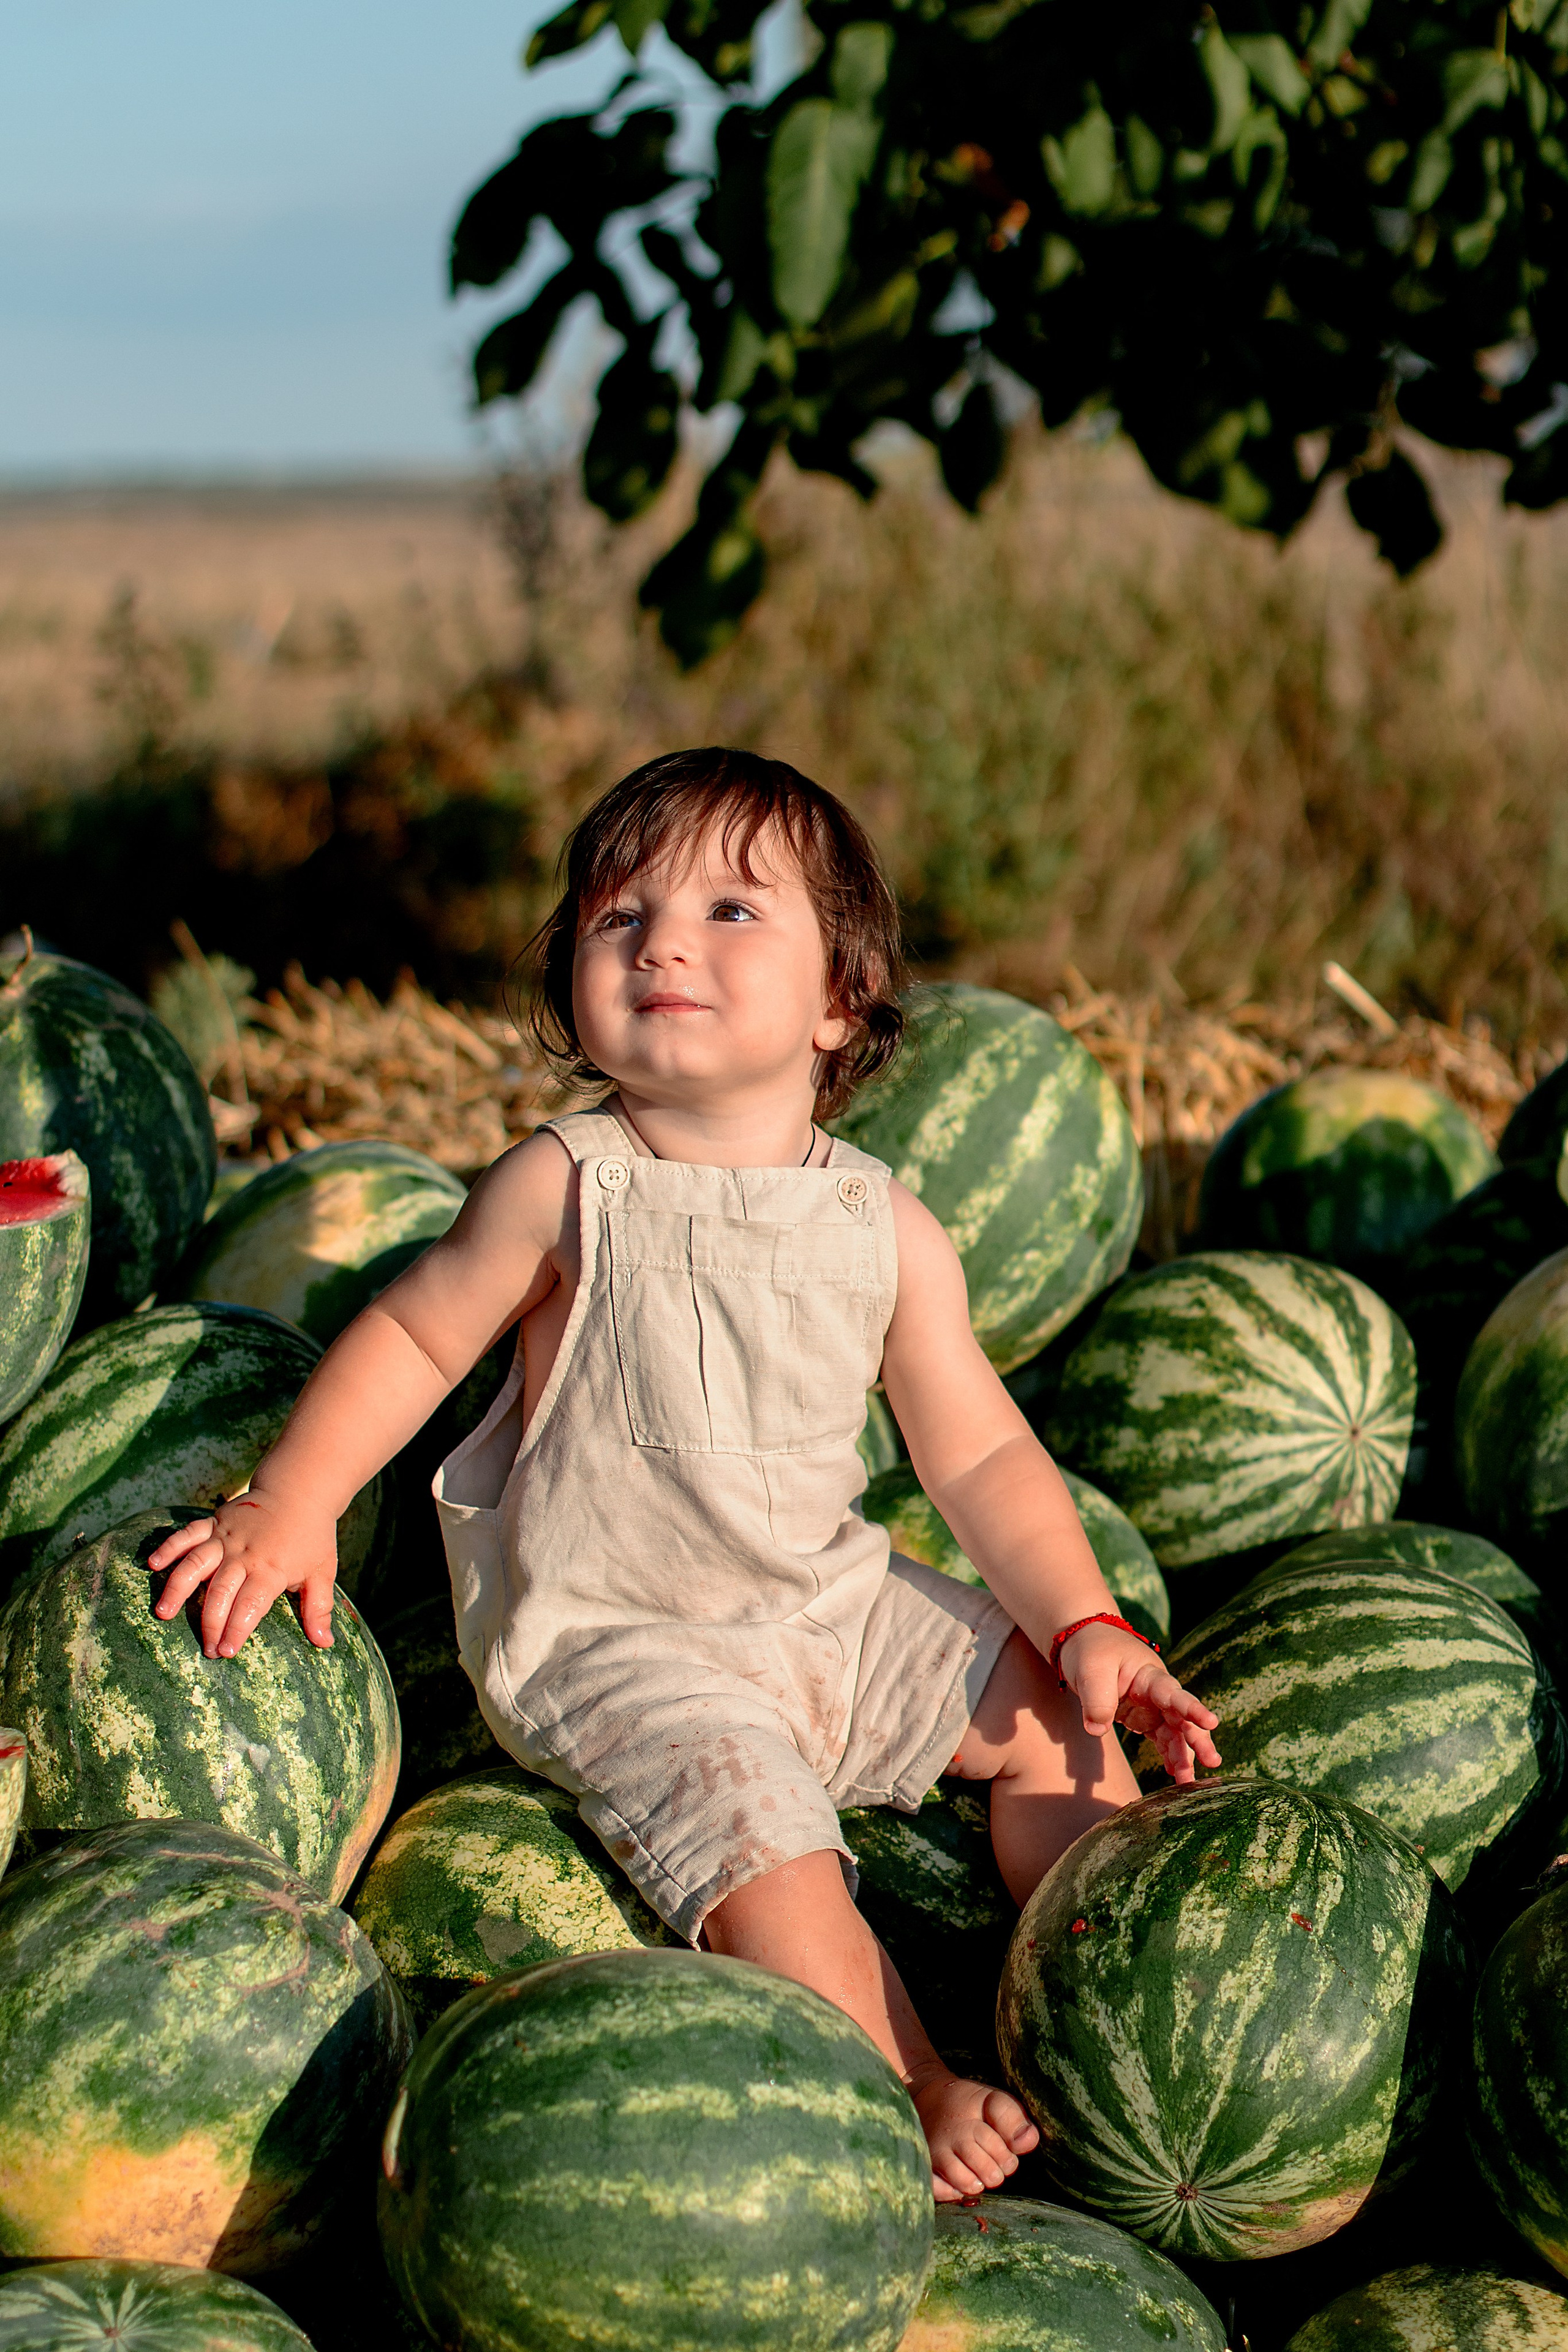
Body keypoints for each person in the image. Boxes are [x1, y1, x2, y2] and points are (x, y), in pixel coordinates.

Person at [149, 747, 1220, 2202]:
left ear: (841, 1001)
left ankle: (1093, 1994)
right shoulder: (566, 1182)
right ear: (572, 986)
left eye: (729, 911)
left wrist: (1086, 1621)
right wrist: (292, 1500)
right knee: (772, 1856)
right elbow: (407, 1333)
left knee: (1055, 1722)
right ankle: (900, 2082)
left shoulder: (883, 1225)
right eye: (616, 914)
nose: (659, 937)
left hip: (820, 1608)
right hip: (626, 1641)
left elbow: (976, 1454)